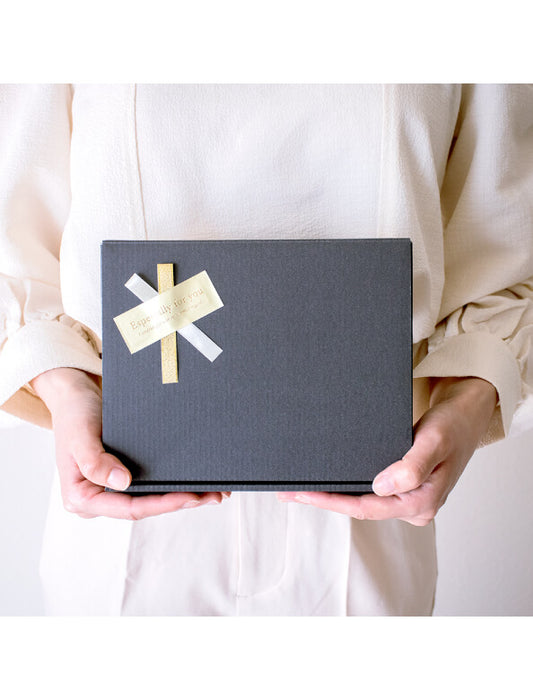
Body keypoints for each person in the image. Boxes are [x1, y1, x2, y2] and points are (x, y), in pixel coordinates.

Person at [1, 84, 532, 615]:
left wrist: (469, 400)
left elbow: (503, 219)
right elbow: (17, 210)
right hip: (126, 484)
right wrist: (63, 387)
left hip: (374, 490)